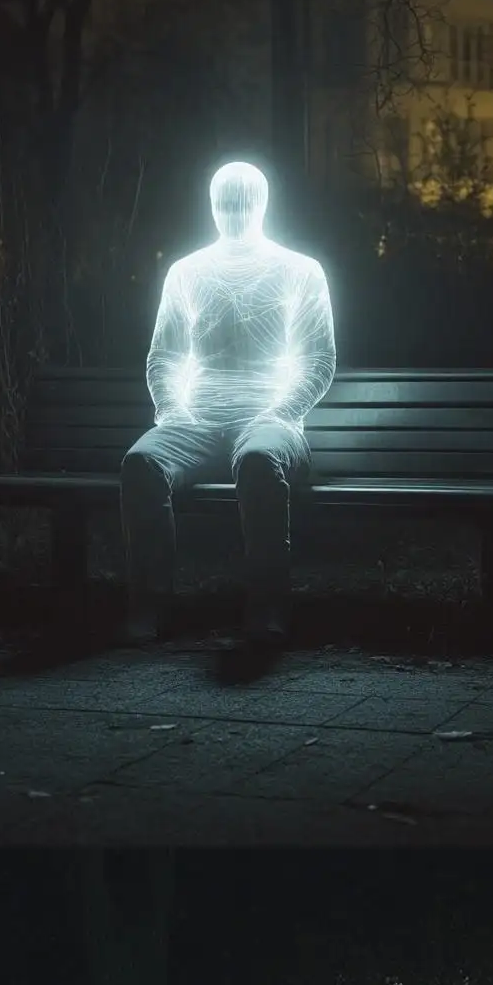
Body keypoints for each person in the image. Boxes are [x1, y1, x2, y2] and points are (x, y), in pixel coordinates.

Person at [120, 162, 335, 645]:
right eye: (224, 202)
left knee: (260, 460)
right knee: (141, 463)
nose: (233, 212)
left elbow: (319, 359)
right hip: (196, 420)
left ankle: (267, 607)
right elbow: (165, 356)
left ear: (262, 204)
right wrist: (174, 411)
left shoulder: (299, 271)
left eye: (243, 201)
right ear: (211, 205)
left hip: (271, 421)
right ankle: (150, 606)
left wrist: (280, 413)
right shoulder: (186, 272)